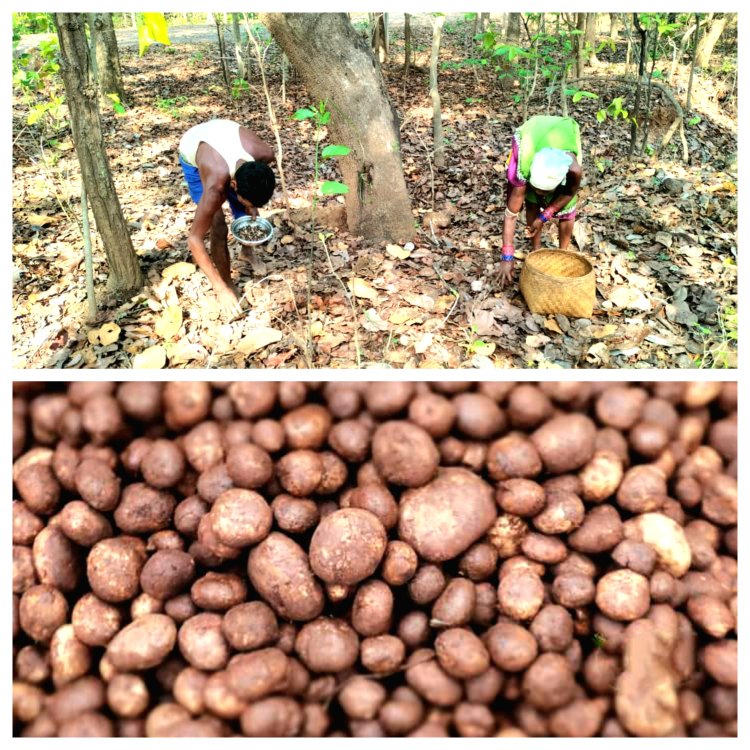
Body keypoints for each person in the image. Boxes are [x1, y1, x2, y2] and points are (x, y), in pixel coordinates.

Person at [178, 119, 276, 315]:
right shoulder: (215, 187)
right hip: (194, 150)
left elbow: (254, 185)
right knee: (219, 227)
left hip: (222, 132)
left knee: (246, 214)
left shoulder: (265, 155)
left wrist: (251, 208)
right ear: (233, 185)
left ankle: (247, 253)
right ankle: (227, 283)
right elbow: (194, 239)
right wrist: (219, 288)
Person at [498, 115, 583, 288]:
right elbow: (511, 214)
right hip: (531, 137)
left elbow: (568, 194)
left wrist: (545, 216)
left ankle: (562, 254)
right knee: (531, 201)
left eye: (545, 192)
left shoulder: (573, 170)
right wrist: (507, 256)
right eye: (535, 188)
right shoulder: (524, 169)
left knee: (567, 209)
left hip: (564, 132)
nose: (539, 193)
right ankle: (535, 251)